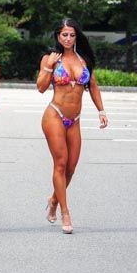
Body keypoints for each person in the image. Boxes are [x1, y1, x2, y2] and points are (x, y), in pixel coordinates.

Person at [36, 18, 108, 234]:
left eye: (72, 35)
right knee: (60, 164)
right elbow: (40, 87)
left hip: (74, 119)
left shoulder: (83, 60)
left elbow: (93, 86)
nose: (68, 38)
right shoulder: (51, 58)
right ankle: (65, 212)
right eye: (64, 35)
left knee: (71, 168)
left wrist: (101, 111)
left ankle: (54, 200)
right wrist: (48, 67)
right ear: (58, 36)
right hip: (54, 115)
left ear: (77, 37)